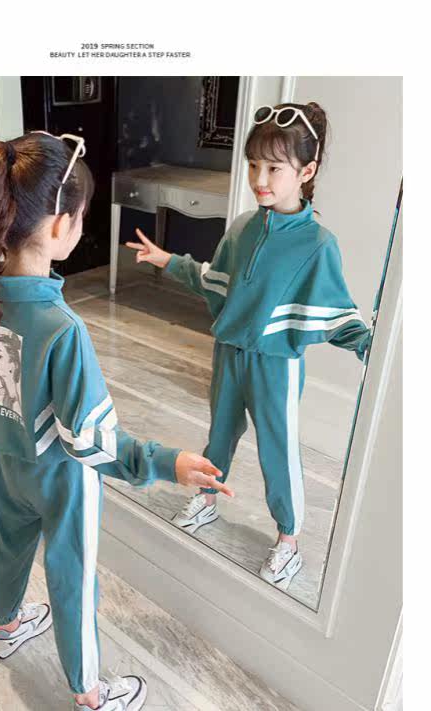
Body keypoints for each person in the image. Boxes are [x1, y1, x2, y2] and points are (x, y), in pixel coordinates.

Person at [0, 131, 233, 711]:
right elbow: (91, 442)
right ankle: (91, 695)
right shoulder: (63, 329)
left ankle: (6, 626)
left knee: (9, 545)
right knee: (73, 579)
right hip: (64, 483)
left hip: (10, 465)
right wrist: (166, 462)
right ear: (60, 224)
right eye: (82, 213)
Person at [127, 102, 370, 591]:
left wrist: (373, 348)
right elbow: (213, 280)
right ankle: (207, 498)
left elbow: (338, 315)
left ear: (306, 171)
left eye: (274, 168)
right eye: (254, 164)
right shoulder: (242, 228)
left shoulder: (318, 245)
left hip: (276, 366)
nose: (260, 178)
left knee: (277, 451)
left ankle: (289, 539)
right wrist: (168, 260)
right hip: (229, 354)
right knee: (219, 433)